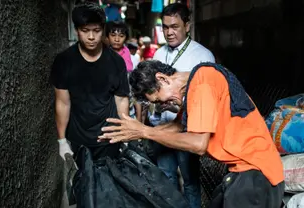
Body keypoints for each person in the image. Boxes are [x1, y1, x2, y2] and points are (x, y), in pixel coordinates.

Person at [99, 60, 285, 208]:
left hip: (257, 173)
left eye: (159, 99)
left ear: (163, 79)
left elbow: (198, 144)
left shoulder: (203, 81)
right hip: (242, 171)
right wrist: (133, 132)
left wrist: (144, 131)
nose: (163, 104)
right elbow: (178, 126)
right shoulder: (195, 86)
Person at [144, 3, 215, 208]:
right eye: (165, 27)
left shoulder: (203, 56)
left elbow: (207, 98)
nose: (169, 32)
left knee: (191, 181)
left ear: (187, 25)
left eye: (174, 26)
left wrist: (177, 107)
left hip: (187, 129)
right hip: (162, 129)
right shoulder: (157, 55)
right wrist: (156, 110)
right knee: (165, 178)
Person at [50, 2, 129, 163]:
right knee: (83, 185)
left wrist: (124, 133)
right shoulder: (64, 61)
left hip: (109, 138)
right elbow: (62, 102)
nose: (91, 37)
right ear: (76, 30)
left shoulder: (116, 62)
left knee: (108, 185)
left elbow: (121, 99)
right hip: (78, 139)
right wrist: (62, 141)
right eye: (85, 31)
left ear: (103, 30)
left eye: (97, 31)